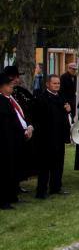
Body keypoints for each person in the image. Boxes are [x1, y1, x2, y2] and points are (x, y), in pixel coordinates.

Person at [33, 74, 71, 198]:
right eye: (54, 83)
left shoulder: (61, 97)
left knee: (58, 163)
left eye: (58, 83)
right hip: (46, 137)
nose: (57, 85)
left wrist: (68, 109)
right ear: (48, 84)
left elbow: (65, 114)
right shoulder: (41, 98)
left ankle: (56, 187)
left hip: (59, 136)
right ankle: (41, 191)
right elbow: (39, 118)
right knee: (45, 166)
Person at [0, 73, 28, 208]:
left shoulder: (10, 99)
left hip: (16, 139)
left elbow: (18, 117)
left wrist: (26, 128)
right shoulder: (2, 101)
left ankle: (13, 195)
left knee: (14, 169)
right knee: (6, 170)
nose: (12, 87)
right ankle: (4, 199)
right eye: (9, 85)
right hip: (6, 141)